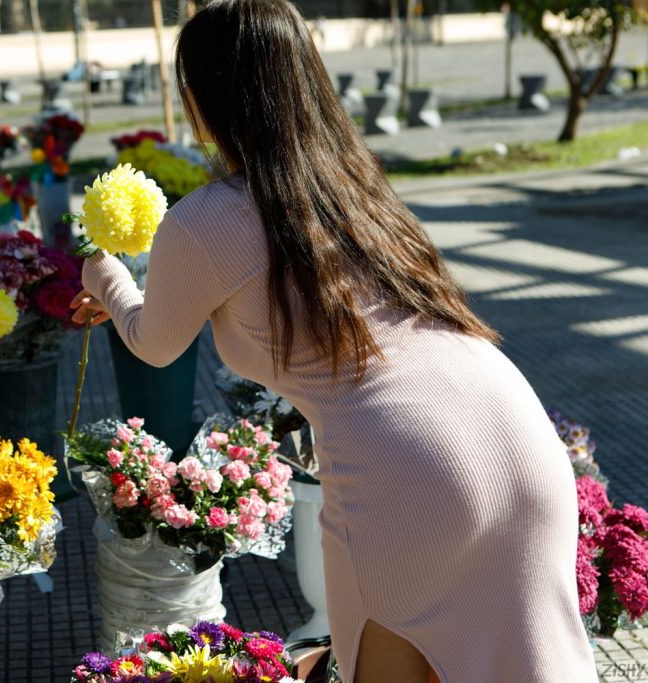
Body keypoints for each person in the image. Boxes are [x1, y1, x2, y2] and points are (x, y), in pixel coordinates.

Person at [69, 1, 599, 681]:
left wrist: (105, 274)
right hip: (518, 438)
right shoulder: (357, 191)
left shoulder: (208, 218)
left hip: (406, 463)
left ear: (203, 99)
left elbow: (154, 342)